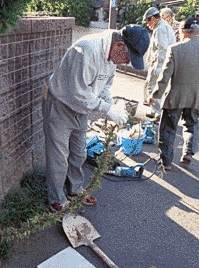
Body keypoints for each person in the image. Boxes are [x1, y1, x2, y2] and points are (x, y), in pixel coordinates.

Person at [43, 25, 150, 211]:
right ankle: (56, 199)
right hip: (59, 103)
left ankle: (74, 189)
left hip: (80, 108)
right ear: (119, 45)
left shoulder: (112, 57)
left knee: (79, 153)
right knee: (59, 157)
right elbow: (78, 93)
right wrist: (108, 109)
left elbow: (105, 88)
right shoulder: (86, 50)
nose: (125, 62)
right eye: (127, 57)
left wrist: (112, 105)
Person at [148, 17, 199, 170]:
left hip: (175, 96)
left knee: (168, 128)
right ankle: (188, 153)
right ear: (197, 31)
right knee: (191, 125)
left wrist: (155, 95)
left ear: (183, 31)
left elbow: (165, 75)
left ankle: (166, 162)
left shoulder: (175, 49)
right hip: (197, 97)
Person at [143, 7, 176, 123]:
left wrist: (157, 68)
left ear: (153, 18)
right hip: (163, 62)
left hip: (160, 63)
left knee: (154, 87)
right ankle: (154, 110)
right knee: (154, 87)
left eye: (148, 21)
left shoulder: (160, 28)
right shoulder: (162, 26)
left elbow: (162, 49)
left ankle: (157, 112)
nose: (148, 25)